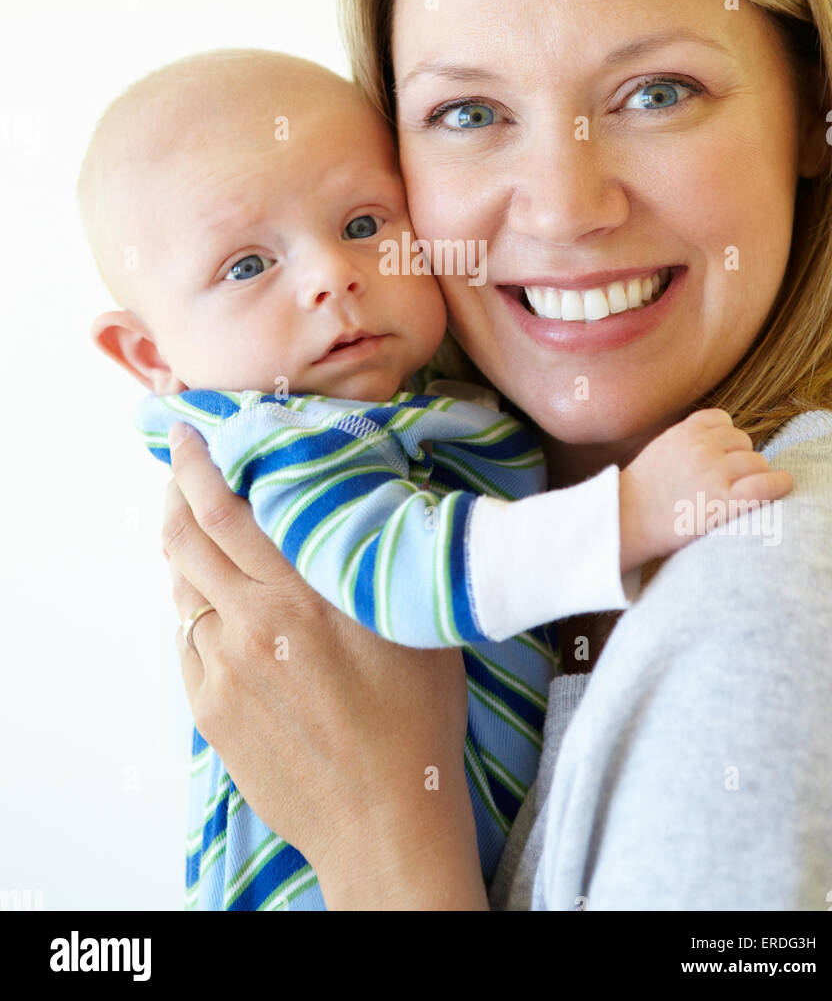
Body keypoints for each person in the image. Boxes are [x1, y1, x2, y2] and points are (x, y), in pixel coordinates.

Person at [158, 0, 832, 909]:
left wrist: (382, 833)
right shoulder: (433, 505)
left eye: (655, 92)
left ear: (813, 111)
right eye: (469, 111)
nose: (562, 207)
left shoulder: (774, 585)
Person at [78, 48, 784, 909]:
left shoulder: (415, 404)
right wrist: (629, 515)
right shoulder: (281, 441)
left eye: (365, 225)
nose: (331, 276)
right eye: (247, 267)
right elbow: (403, 576)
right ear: (149, 353)